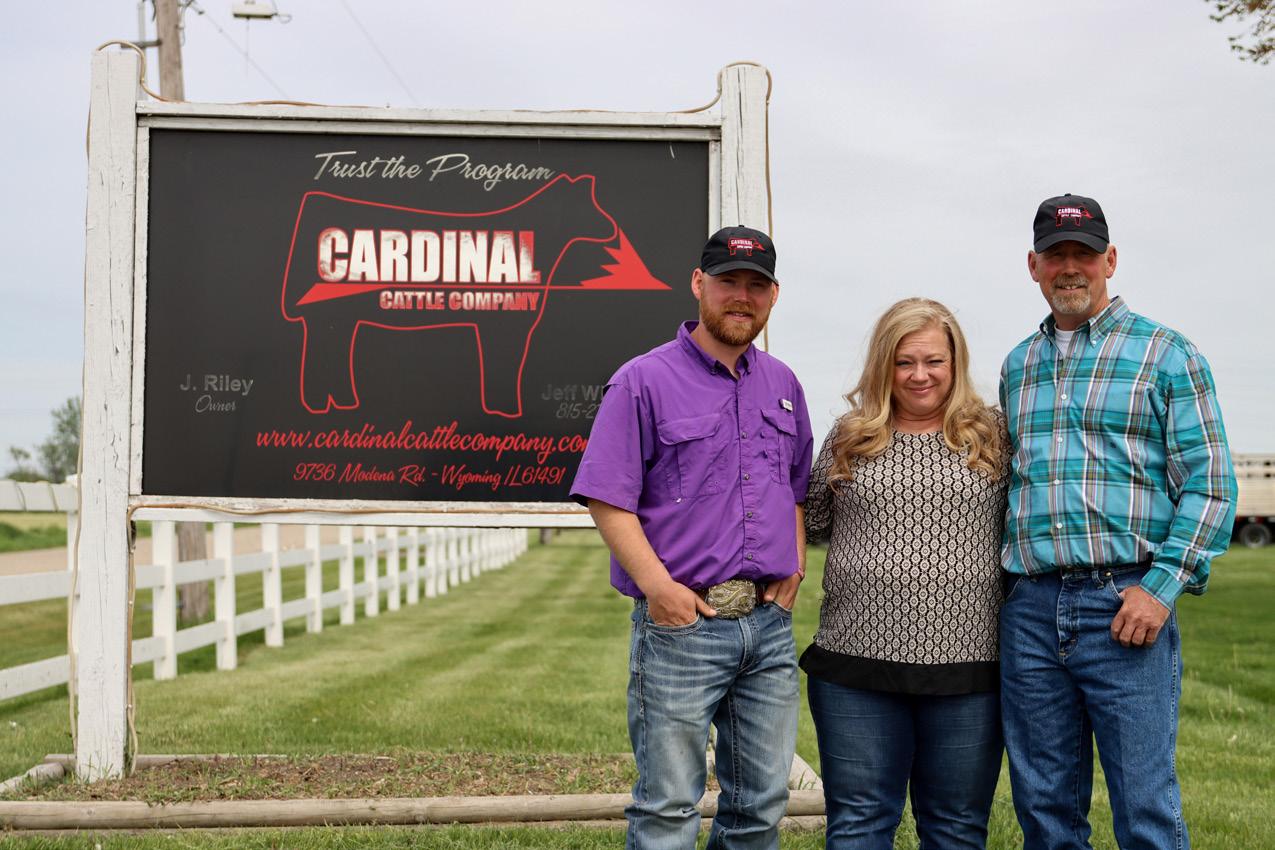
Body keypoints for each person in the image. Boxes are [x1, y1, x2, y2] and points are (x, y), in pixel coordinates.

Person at [999, 194, 1237, 850]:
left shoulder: (1167, 354)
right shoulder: (1018, 365)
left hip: (1124, 602)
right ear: (1033, 265)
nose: (1069, 267)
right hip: (1030, 611)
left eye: (1084, 253)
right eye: (1055, 255)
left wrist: (1160, 588)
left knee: (1144, 805)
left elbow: (1211, 486)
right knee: (1044, 806)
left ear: (1110, 259)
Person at [570, 225, 814, 850]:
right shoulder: (642, 380)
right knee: (669, 807)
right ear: (699, 284)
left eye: (756, 285)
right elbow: (607, 497)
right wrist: (660, 590)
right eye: (729, 282)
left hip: (767, 628)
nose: (742, 297)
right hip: (682, 626)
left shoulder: (784, 385)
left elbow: (794, 486)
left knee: (761, 805)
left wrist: (794, 566)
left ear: (774, 295)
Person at [801, 298, 1008, 849]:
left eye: (934, 361)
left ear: (955, 362)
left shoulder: (992, 435)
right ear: (883, 365)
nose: (920, 375)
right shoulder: (850, 435)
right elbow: (810, 520)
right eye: (904, 362)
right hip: (855, 665)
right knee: (860, 823)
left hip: (968, 667)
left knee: (956, 827)